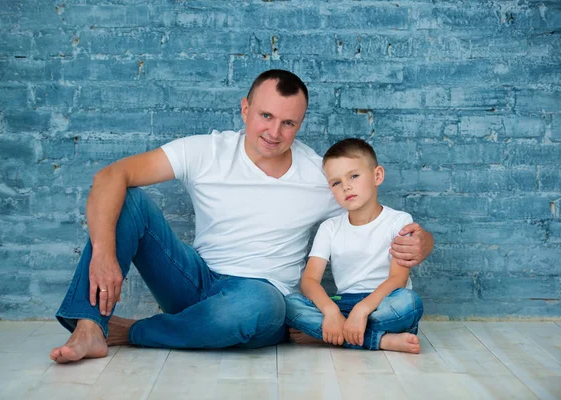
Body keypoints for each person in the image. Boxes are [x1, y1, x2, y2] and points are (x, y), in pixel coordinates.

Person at [49, 70, 433, 363]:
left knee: (262, 305)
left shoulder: (320, 176)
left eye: (288, 123)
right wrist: (103, 252)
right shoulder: (206, 151)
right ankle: (88, 327)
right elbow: (111, 175)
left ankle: (132, 332)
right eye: (265, 115)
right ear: (245, 108)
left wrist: (422, 242)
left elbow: (375, 212)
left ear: (300, 124)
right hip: (194, 280)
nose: (274, 131)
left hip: (259, 298)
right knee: (130, 201)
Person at [285, 138, 424, 353]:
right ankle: (381, 340)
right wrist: (331, 311)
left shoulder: (399, 221)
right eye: (336, 182)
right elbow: (310, 280)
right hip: (343, 303)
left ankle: (328, 335)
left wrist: (362, 310)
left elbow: (399, 279)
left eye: (354, 176)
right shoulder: (329, 227)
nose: (346, 186)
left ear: (377, 176)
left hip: (383, 303)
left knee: (409, 303)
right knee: (289, 304)